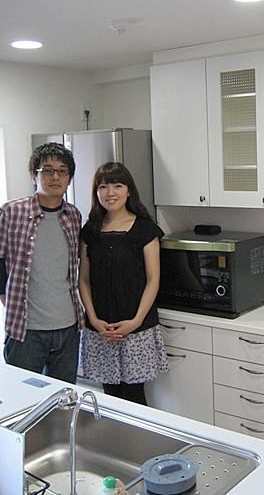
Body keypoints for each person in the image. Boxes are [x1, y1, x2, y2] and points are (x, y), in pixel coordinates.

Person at [78, 162, 168, 404]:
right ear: (96, 192)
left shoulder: (145, 229)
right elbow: (83, 280)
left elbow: (153, 279)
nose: (110, 193)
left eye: (117, 185)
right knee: (110, 398)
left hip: (136, 328)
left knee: (135, 398)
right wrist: (93, 319)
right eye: (103, 187)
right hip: (101, 328)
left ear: (129, 191)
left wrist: (135, 321)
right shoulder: (90, 231)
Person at [0, 142, 83, 383]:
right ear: (33, 175)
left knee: (63, 398)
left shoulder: (73, 216)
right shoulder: (11, 212)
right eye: (47, 170)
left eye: (62, 171)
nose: (55, 177)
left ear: (69, 179)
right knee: (24, 398)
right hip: (26, 331)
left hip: (68, 328)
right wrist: (9, 300)